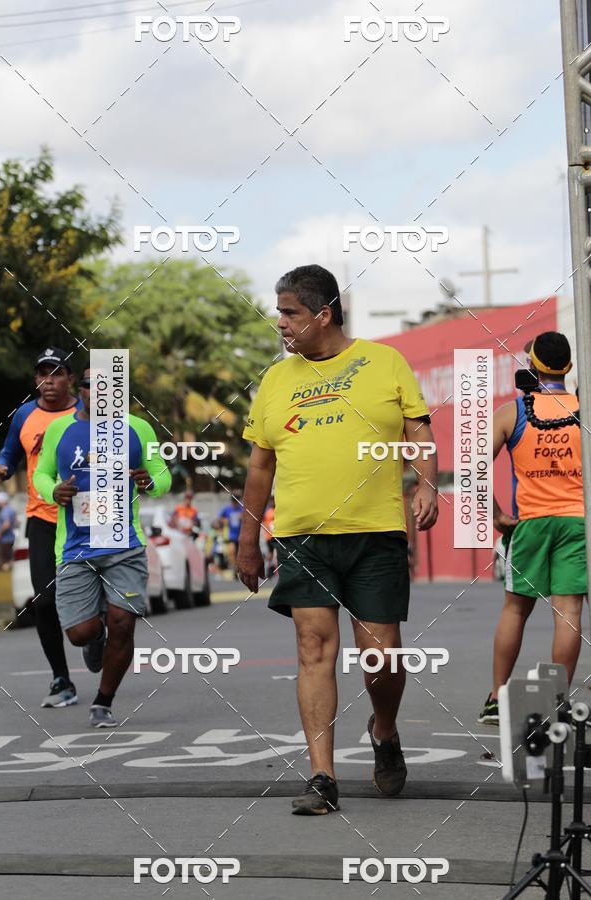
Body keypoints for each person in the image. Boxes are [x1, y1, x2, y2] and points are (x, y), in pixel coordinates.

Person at [237, 264, 438, 815]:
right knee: (313, 648)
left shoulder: (383, 362)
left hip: (375, 533)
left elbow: (416, 427)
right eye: (279, 312)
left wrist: (426, 482)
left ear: (323, 314)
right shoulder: (277, 380)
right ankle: (322, 776)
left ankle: (385, 729)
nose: (280, 322)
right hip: (303, 536)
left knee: (382, 659)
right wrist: (248, 539)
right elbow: (259, 468)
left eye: (289, 313)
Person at [33, 365, 172, 727]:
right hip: (77, 547)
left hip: (124, 543)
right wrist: (53, 491)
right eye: (91, 385)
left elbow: (162, 472)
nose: (98, 391)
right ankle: (96, 636)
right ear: (80, 390)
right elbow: (41, 474)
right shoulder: (59, 429)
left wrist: (148, 480)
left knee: (123, 622)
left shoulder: (138, 428)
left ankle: (103, 702)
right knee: (80, 634)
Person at [478, 332, 586, 724]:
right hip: (578, 523)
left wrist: (495, 516)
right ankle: (558, 701)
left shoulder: (513, 412)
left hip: (531, 523)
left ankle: (497, 697)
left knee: (515, 609)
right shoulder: (582, 409)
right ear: (568, 368)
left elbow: (474, 467)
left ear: (532, 366)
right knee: (569, 611)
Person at [0, 348, 80, 707]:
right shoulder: (25, 414)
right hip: (41, 519)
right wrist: (0, 467)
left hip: (84, 521)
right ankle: (61, 679)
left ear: (70, 379)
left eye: (56, 374)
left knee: (91, 601)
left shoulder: (85, 413)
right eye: (42, 374)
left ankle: (96, 640)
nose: (49, 382)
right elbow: (9, 454)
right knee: (44, 603)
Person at [219, 488, 243, 573]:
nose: (235, 502)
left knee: (239, 554)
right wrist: (225, 521)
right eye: (234, 500)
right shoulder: (227, 509)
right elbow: (219, 519)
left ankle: (239, 567)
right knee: (232, 551)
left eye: (237, 500)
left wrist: (242, 518)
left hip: (240, 535)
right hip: (231, 535)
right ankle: (235, 569)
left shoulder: (241, 509)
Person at [0, 492, 17, 571]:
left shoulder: (5, 511)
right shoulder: (10, 509)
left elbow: (6, 524)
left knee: (6, 561)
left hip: (6, 539)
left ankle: (6, 578)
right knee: (8, 558)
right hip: (9, 539)